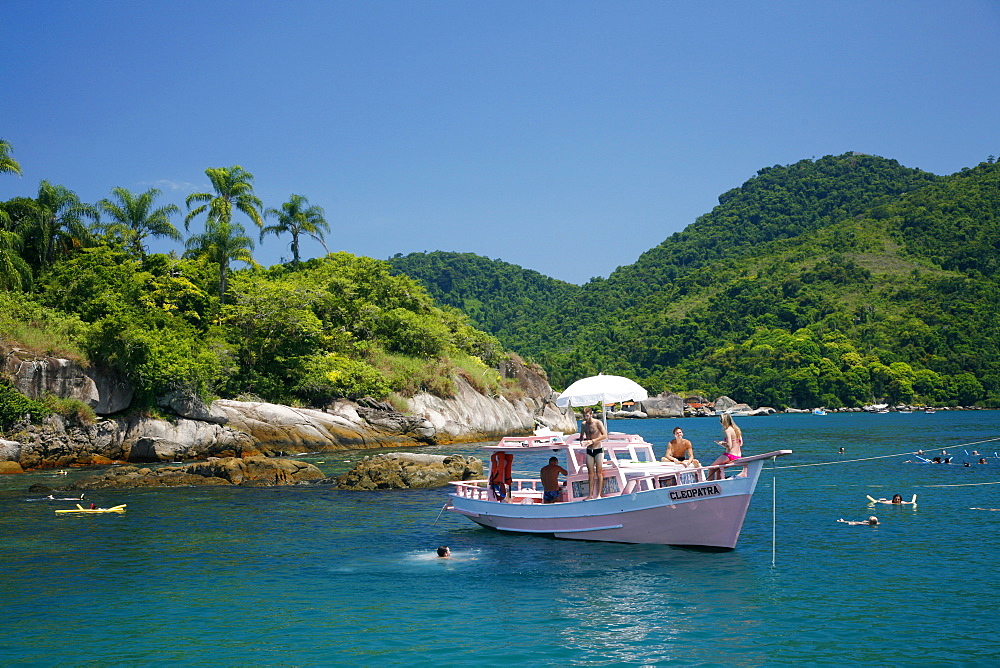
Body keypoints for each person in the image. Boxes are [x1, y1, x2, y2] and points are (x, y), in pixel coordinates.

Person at [580, 406, 608, 499]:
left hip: (598, 449)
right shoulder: (583, 424)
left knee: (598, 472)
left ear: (591, 414)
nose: (586, 418)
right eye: (584, 416)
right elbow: (581, 436)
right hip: (589, 450)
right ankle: (590, 495)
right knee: (590, 473)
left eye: (587, 416)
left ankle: (599, 495)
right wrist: (582, 441)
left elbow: (605, 436)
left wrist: (592, 441)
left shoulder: (598, 423)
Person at [707, 413, 743, 480]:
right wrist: (725, 443)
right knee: (718, 469)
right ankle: (720, 482)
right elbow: (740, 443)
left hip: (730, 455)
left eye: (721, 421)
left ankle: (708, 483)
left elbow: (729, 446)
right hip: (738, 455)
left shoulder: (728, 430)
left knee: (711, 468)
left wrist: (720, 443)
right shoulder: (737, 429)